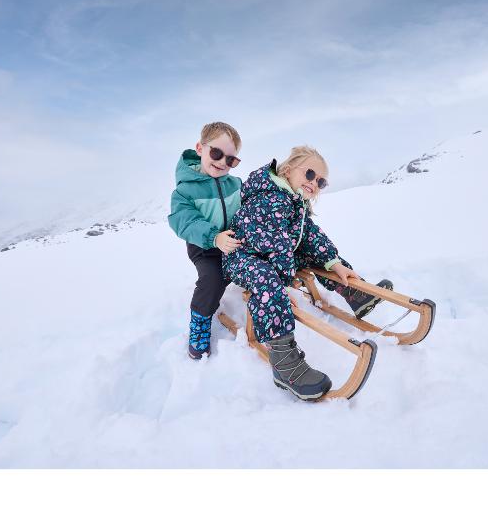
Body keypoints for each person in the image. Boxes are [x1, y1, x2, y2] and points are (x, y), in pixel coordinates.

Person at [222, 146, 392, 401]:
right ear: (288, 170)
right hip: (243, 257)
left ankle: (355, 294)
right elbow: (275, 244)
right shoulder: (269, 197)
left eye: (321, 181)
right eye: (310, 174)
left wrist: (334, 263)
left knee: (318, 254)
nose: (314, 183)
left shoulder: (295, 201)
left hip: (273, 254)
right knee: (268, 282)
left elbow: (311, 236)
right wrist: (283, 286)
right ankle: (284, 363)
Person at [168, 122, 243, 359]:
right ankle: (200, 322)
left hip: (232, 241)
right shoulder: (185, 190)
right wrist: (213, 237)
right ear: (200, 148)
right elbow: (184, 221)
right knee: (213, 278)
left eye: (230, 160)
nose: (222, 162)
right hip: (204, 246)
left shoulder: (236, 185)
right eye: (217, 153)